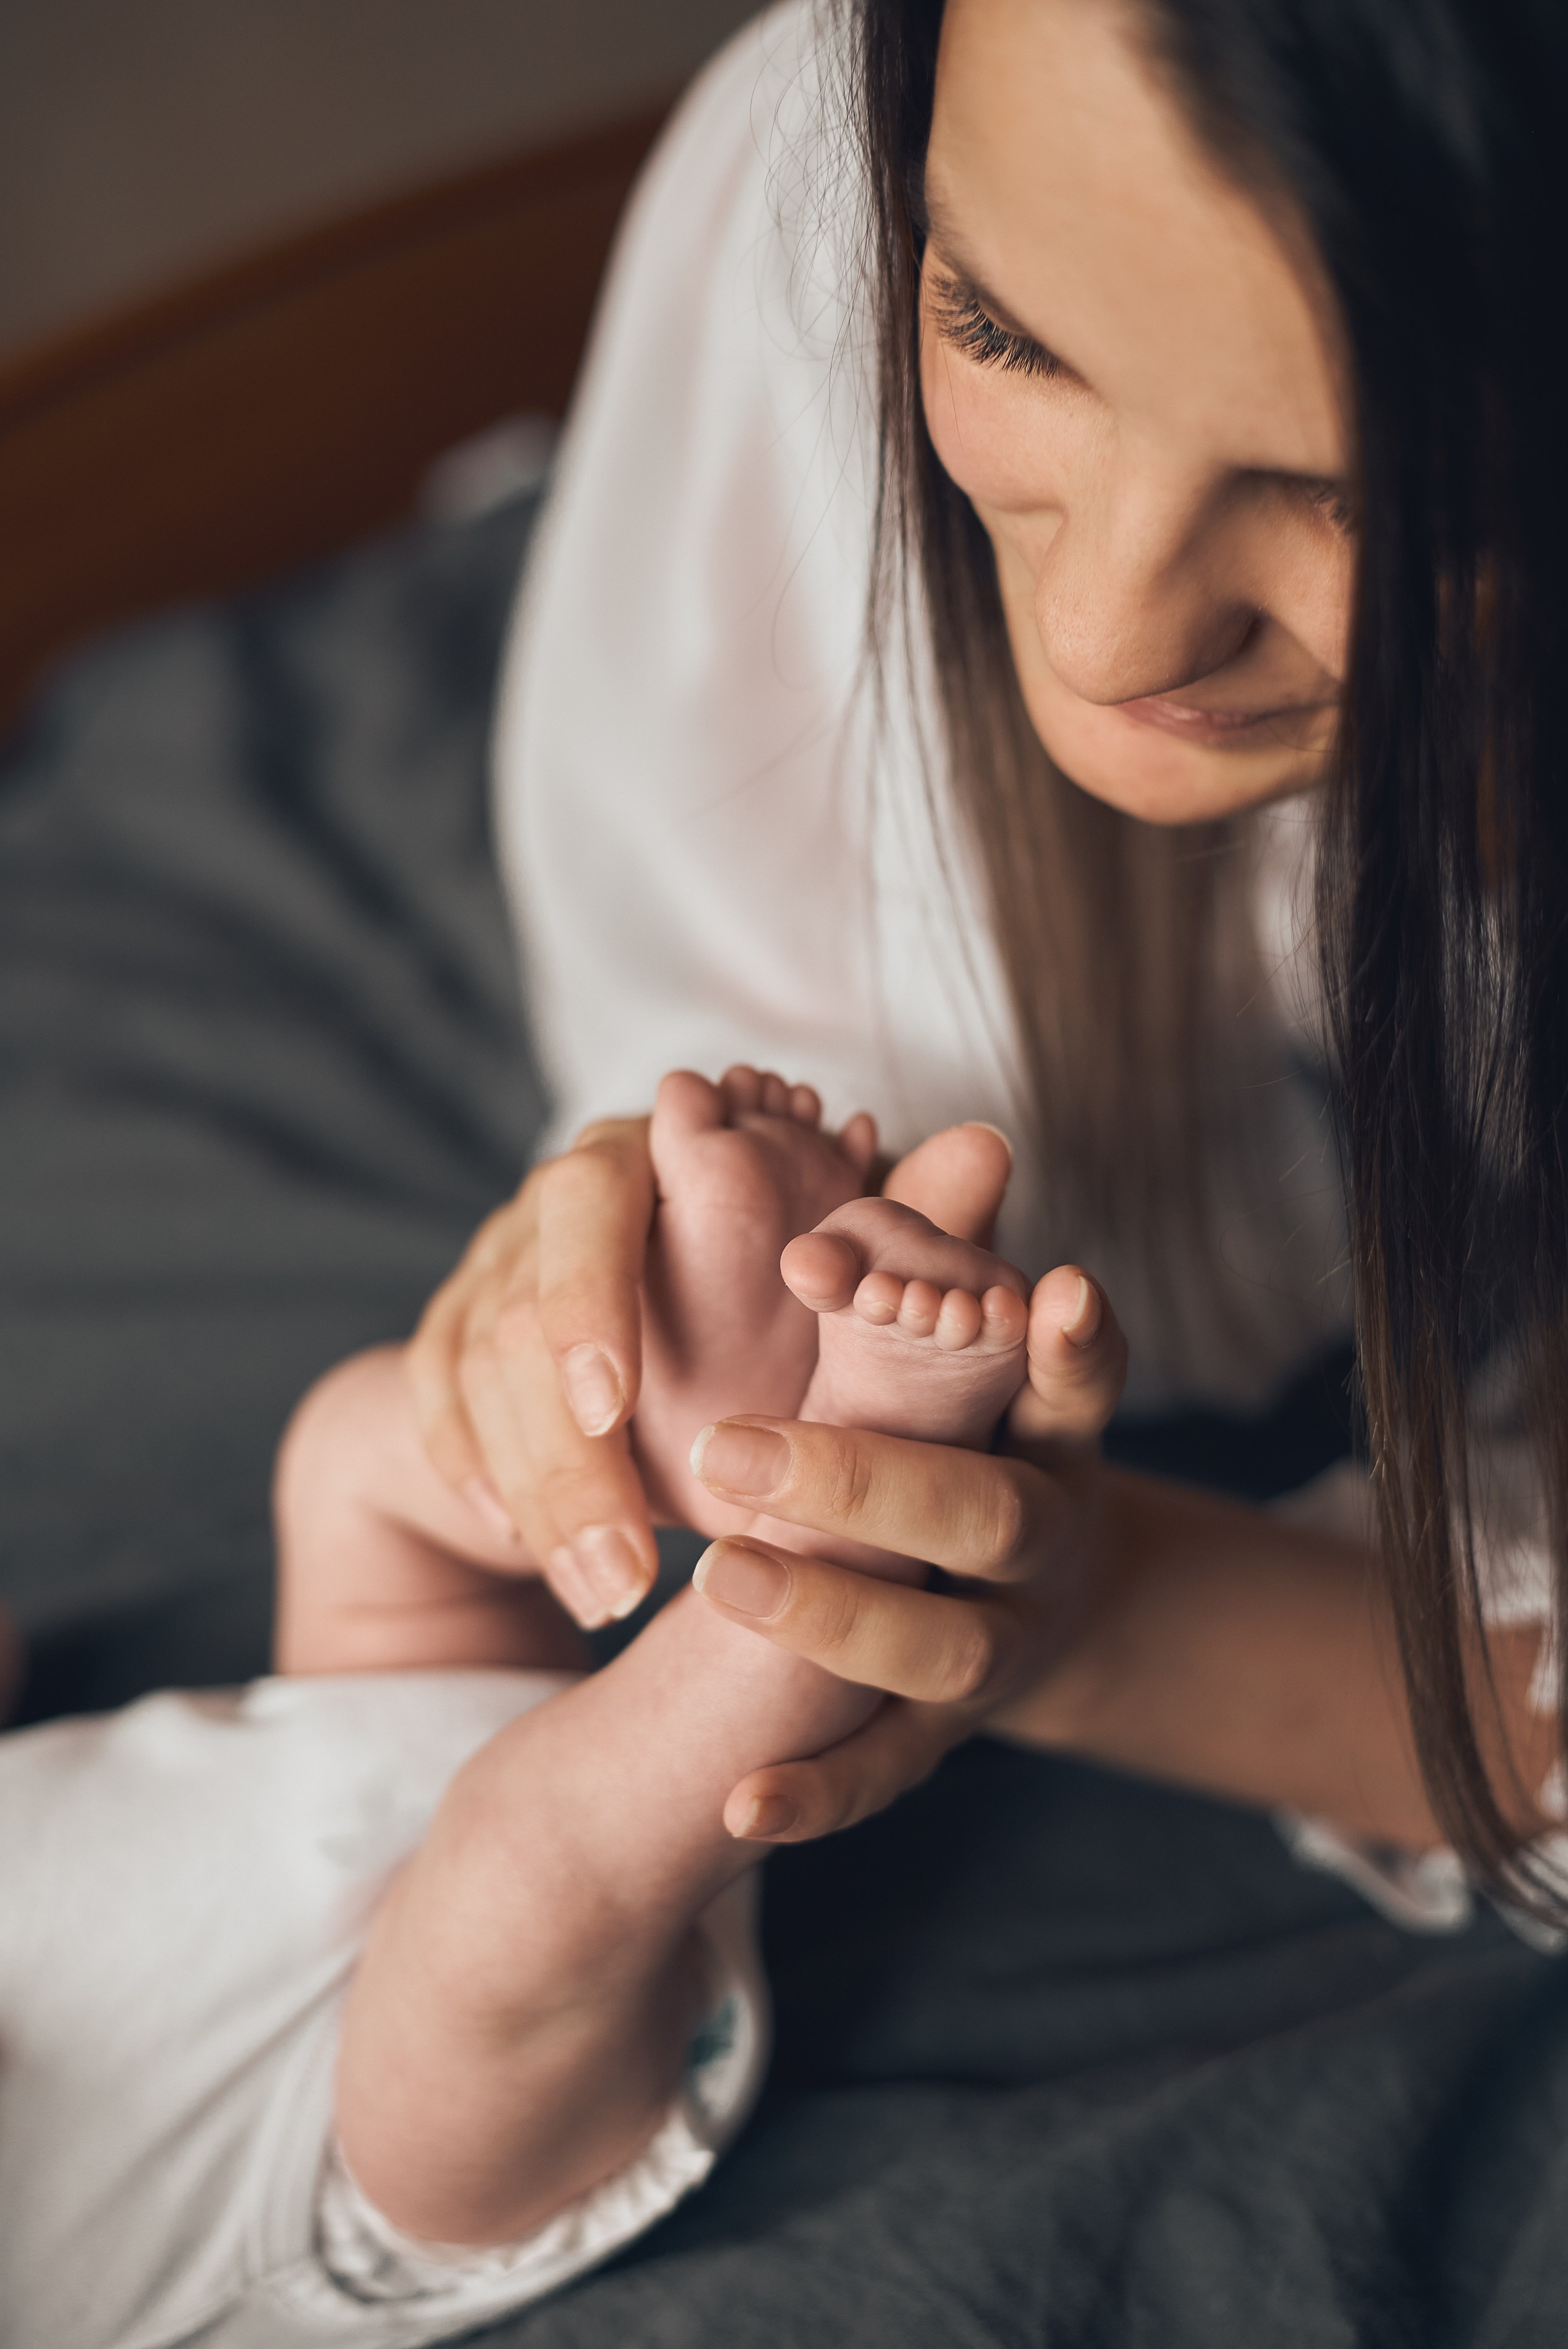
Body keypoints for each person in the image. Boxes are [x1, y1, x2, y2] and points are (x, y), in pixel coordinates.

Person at [417, 0, 1568, 1926]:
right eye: (1008, 333)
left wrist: (1081, 1609)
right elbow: (773, 1038)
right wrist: (705, 1259)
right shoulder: (862, 132)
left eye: (1369, 496)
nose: (1110, 637)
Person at [0, 1069, 1113, 2347]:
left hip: (336, 1730)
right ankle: (860, 1448)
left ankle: (704, 1392)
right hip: (355, 2123)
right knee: (523, 1865)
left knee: (350, 1455)